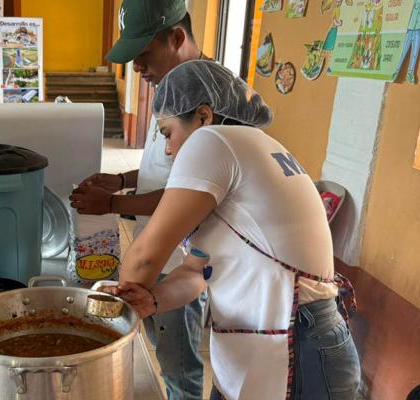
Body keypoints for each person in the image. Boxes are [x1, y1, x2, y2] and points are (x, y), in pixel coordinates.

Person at [100, 60, 361, 399]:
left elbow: (144, 259)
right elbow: (197, 271)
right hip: (271, 342)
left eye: (168, 133)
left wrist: (109, 314)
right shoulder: (252, 147)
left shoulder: (212, 141)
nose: (168, 149)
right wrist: (152, 299)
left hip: (301, 346)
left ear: (203, 117)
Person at [70, 1, 209, 398]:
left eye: (144, 55)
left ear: (177, 38)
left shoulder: (207, 98)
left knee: (180, 370)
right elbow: (162, 167)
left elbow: (191, 197)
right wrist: (120, 180)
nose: (137, 68)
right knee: (164, 356)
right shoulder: (170, 87)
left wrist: (113, 205)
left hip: (181, 262)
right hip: (158, 253)